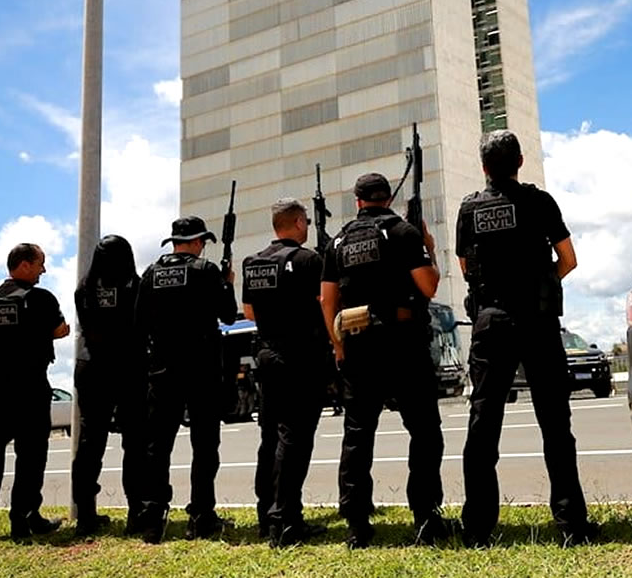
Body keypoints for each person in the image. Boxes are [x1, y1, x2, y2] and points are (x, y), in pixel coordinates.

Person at [456, 130, 598, 547]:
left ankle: (478, 528)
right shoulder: (540, 202)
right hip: (537, 322)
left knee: (483, 425)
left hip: (492, 323)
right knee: (555, 424)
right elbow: (569, 259)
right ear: (519, 162)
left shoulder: (470, 209)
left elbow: (466, 267)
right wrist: (542, 282)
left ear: (484, 168)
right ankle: (572, 524)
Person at [320, 173, 449, 548]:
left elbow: (327, 301)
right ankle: (426, 518)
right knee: (424, 432)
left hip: (359, 344)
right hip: (404, 343)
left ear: (357, 200)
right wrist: (430, 248)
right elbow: (428, 286)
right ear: (387, 198)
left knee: (358, 437)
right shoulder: (405, 233)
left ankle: (357, 525)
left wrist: (337, 344)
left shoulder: (339, 241)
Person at [135, 216, 237, 544]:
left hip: (163, 370)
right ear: (195, 242)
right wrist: (227, 282)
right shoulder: (205, 271)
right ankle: (202, 515)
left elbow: (139, 323)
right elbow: (226, 314)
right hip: (202, 369)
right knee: (205, 444)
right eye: (202, 242)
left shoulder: (150, 273)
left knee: (157, 445)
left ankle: (153, 517)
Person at [0, 243, 69, 544]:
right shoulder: (41, 298)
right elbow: (59, 329)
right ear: (24, 265)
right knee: (31, 457)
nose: (43, 270)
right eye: (40, 264)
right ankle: (24, 519)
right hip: (29, 387)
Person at [241, 199, 332, 547]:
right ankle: (287, 521)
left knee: (270, 437)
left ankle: (267, 515)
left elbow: (249, 311)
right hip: (300, 357)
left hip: (266, 356)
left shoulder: (253, 263)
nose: (308, 226)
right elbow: (325, 303)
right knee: (295, 439)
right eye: (305, 221)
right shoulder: (308, 260)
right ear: (296, 223)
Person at [71, 235, 145, 537]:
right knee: (135, 442)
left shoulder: (84, 289)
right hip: (128, 366)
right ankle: (136, 512)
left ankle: (86, 515)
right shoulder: (134, 286)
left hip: (90, 367)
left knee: (90, 443)